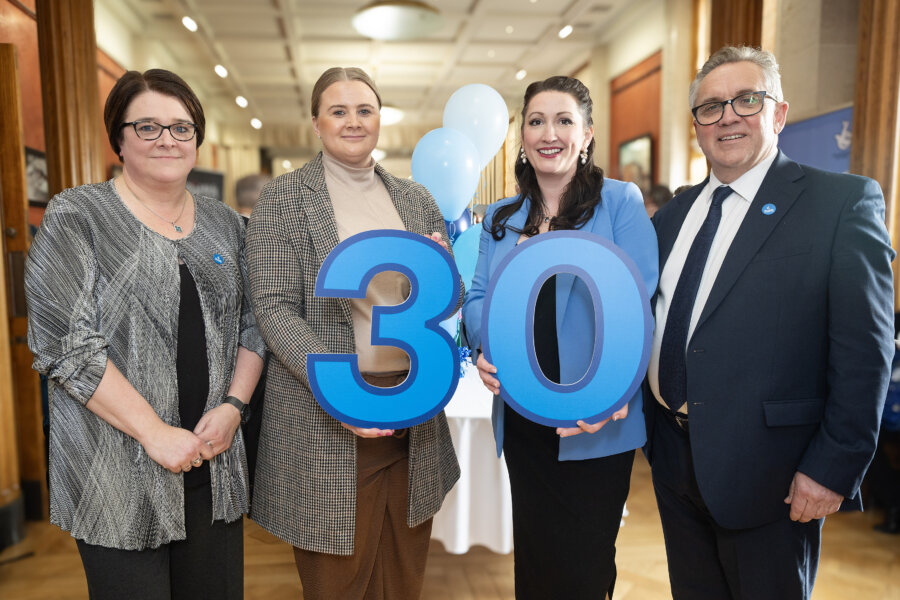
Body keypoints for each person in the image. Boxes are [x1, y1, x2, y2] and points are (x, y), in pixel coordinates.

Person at [645, 46, 894, 599]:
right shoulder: (672, 217)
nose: (728, 115)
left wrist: (833, 467)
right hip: (675, 460)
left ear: (778, 113)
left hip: (775, 478)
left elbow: (865, 353)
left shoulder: (840, 204)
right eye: (711, 107)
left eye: (746, 100)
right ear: (696, 127)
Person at [25, 69, 265, 599]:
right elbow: (65, 343)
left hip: (211, 459)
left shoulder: (227, 224)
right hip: (116, 468)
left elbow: (254, 324)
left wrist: (233, 407)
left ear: (197, 140)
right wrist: (155, 433)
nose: (167, 140)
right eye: (148, 126)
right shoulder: (78, 215)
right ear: (119, 137)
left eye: (181, 128)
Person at [245, 67, 460, 599]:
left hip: (413, 408)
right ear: (316, 123)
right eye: (338, 111)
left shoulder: (415, 200)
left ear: (379, 119)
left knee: (403, 573)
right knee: (335, 582)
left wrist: (446, 272)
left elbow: (440, 304)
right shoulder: (285, 199)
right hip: (329, 409)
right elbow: (273, 308)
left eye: (364, 110)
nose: (353, 121)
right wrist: (342, 392)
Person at [461, 76, 658, 599]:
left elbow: (640, 302)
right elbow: (479, 297)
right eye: (536, 121)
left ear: (587, 133)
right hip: (526, 412)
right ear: (521, 136)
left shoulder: (618, 202)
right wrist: (485, 348)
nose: (550, 133)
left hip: (595, 416)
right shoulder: (501, 217)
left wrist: (616, 392)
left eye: (564, 120)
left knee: (586, 565)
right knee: (535, 557)